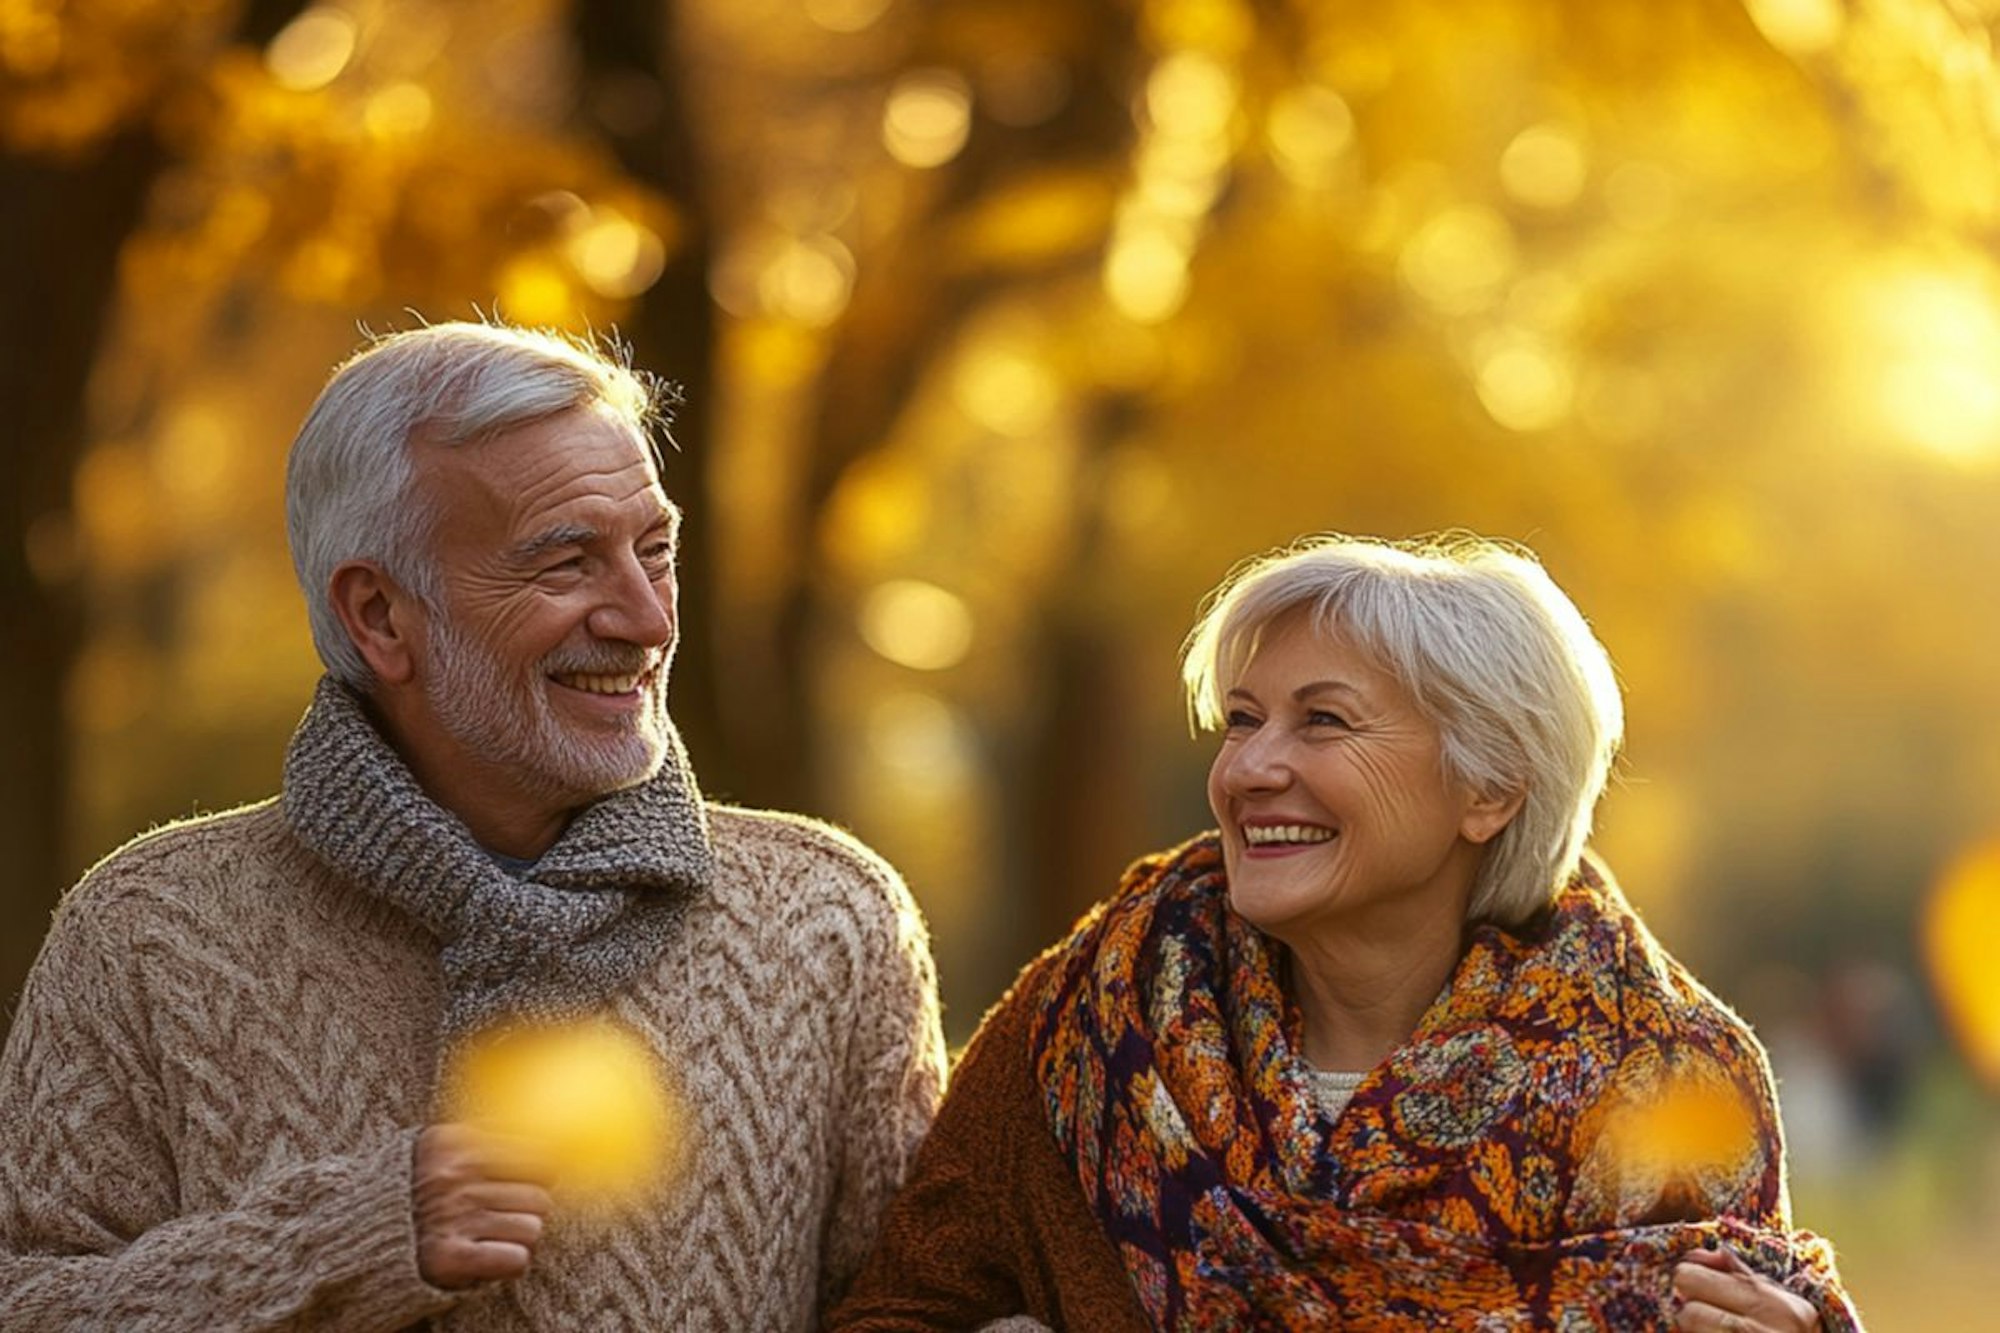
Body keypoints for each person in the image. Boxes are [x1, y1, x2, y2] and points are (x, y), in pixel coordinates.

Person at [0, 321, 947, 1329]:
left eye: (654, 550)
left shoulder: (827, 919)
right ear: (378, 615)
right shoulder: (148, 934)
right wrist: (334, 1245)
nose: (647, 618)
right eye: (567, 563)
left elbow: (930, 1303)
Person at [831, 534, 1863, 1331]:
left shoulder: (1665, 1074)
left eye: (1321, 721)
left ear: (1488, 787)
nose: (1247, 770)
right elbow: (897, 1309)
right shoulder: (1093, 1019)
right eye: (1241, 719)